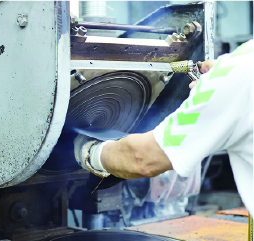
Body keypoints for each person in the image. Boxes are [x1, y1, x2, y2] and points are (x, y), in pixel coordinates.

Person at [74, 39, 253, 216]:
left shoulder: (238, 67)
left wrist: (88, 151)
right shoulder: (239, 68)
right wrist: (222, 80)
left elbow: (142, 159)